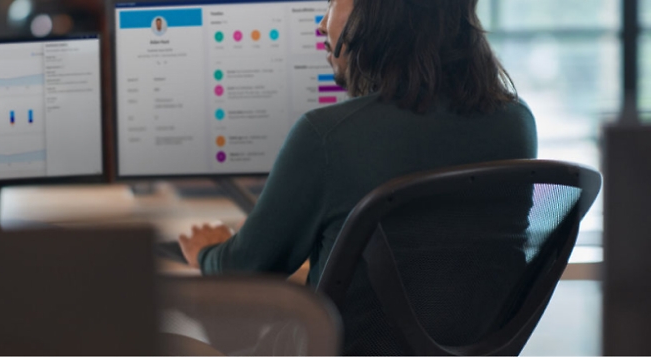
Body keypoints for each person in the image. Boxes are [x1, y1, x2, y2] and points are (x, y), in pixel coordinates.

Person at [179, 0, 536, 351]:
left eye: (333, 2)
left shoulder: (328, 137)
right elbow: (443, 264)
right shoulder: (517, 123)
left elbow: (245, 273)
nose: (321, 23)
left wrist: (206, 252)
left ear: (379, 11)